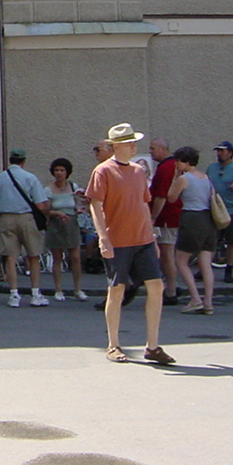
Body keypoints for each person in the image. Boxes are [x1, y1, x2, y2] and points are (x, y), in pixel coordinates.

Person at [86, 122, 174, 365]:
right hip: (118, 241)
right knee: (116, 291)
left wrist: (153, 237)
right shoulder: (103, 171)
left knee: (156, 287)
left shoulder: (138, 171)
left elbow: (144, 205)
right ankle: (113, 344)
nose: (134, 146)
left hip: (143, 239)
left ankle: (153, 346)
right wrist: (103, 238)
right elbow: (95, 205)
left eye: (134, 142)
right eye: (129, 142)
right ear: (117, 146)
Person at [0, 148, 50, 307]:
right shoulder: (30, 178)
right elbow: (40, 205)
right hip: (26, 217)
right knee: (34, 256)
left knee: (10, 258)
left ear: (10, 160)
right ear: (23, 161)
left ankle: (14, 295)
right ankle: (35, 293)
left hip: (5, 218)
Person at [167, 146, 216, 314]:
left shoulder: (184, 178)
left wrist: (175, 179)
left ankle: (195, 298)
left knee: (181, 260)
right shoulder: (205, 177)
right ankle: (208, 302)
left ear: (186, 162)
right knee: (205, 262)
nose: (176, 165)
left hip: (192, 218)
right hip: (208, 220)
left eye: (178, 162)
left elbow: (171, 198)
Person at [206, 141, 233, 284]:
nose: (219, 153)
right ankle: (205, 269)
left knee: (232, 241)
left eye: (222, 151)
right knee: (211, 241)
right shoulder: (211, 168)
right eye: (218, 151)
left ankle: (229, 269)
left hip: (232, 210)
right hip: (215, 209)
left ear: (230, 153)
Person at [45, 157, 87, 301]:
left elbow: (77, 204)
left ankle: (78, 289)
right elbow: (45, 210)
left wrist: (79, 209)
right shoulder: (49, 189)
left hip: (71, 223)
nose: (59, 173)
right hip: (56, 224)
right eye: (56, 170)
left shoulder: (73, 187)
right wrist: (57, 213)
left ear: (67, 172)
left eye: (62, 170)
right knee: (57, 258)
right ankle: (58, 289)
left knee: (75, 257)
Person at [148, 138, 181, 305]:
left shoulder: (166, 168)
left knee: (167, 253)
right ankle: (171, 285)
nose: (150, 151)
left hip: (166, 217)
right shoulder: (170, 166)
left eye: (153, 148)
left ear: (163, 149)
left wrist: (153, 217)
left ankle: (171, 290)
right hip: (170, 215)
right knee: (168, 253)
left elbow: (161, 196)